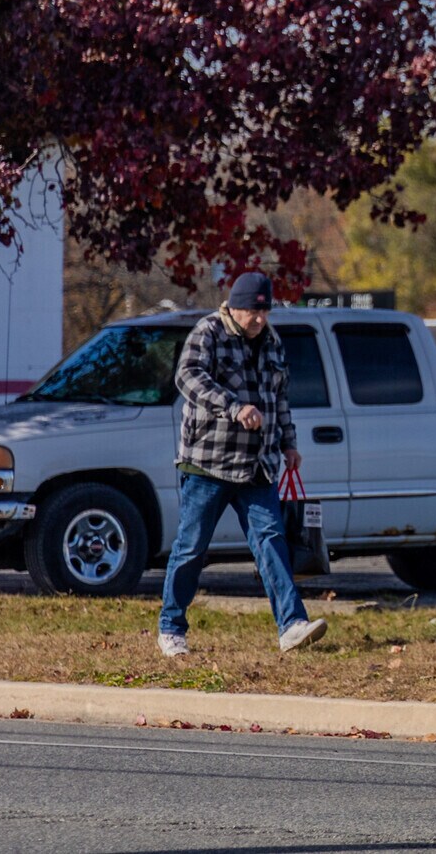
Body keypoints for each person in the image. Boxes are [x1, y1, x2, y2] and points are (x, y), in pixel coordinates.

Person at [156, 271, 327, 657]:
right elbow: (187, 378)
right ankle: (171, 628)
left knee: (271, 541)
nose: (261, 319)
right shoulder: (208, 333)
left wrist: (289, 442)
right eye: (254, 311)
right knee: (191, 548)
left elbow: (279, 396)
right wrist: (233, 407)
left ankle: (292, 625)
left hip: (257, 466)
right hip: (207, 465)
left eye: (265, 312)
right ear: (235, 306)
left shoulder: (271, 341)